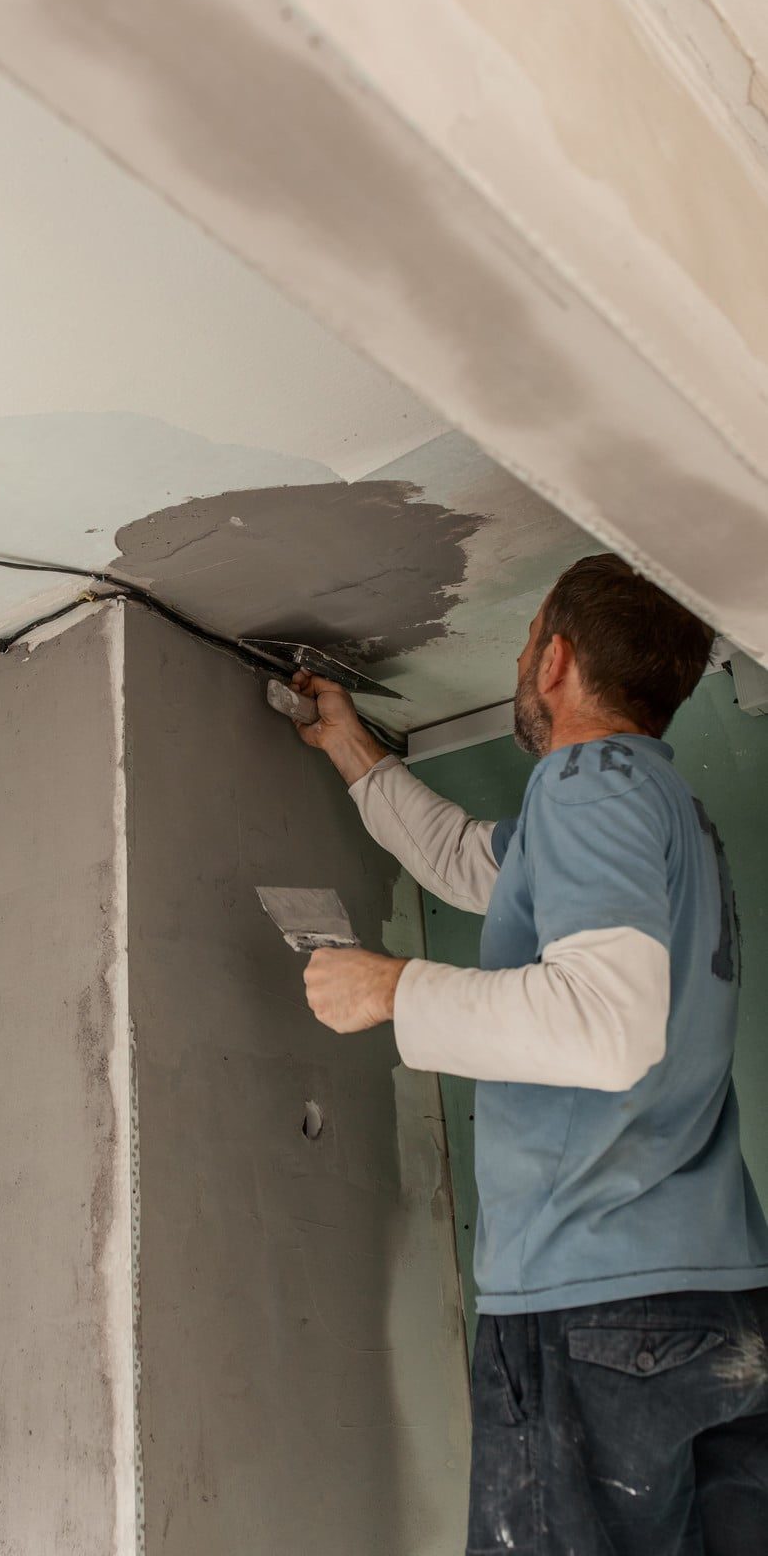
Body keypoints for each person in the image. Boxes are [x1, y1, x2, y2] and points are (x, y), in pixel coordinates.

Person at [293, 553, 768, 1556]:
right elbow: (476, 864)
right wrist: (353, 753)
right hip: (715, 1301)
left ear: (552, 657)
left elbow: (603, 1027)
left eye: (521, 646)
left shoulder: (584, 784)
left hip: (594, 1303)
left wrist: (394, 989)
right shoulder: (654, 805)